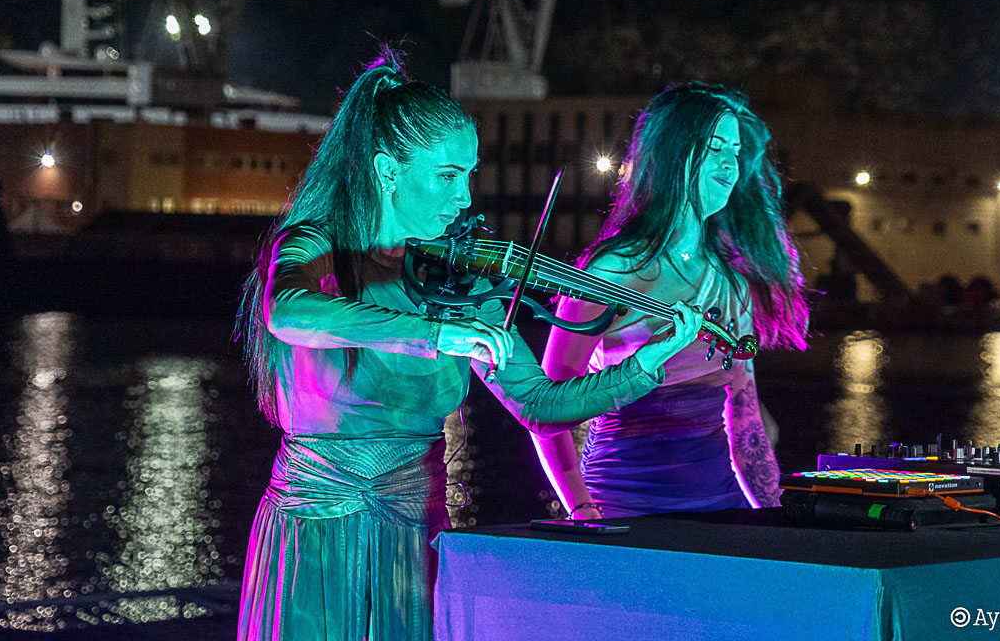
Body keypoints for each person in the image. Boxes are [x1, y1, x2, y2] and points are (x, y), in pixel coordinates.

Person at [234, 52, 702, 641]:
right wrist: (433, 335)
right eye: (448, 176)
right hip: (316, 526)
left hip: (419, 530)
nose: (465, 198)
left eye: (470, 175)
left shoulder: (456, 280)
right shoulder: (314, 244)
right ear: (388, 170)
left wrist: (647, 363)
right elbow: (287, 312)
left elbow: (539, 405)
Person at [531, 81, 809, 519]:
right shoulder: (611, 272)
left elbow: (746, 422)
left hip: (721, 509)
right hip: (621, 506)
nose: (730, 163)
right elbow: (545, 408)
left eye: (736, 151)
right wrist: (580, 507)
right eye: (715, 147)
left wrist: (773, 516)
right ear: (675, 154)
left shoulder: (733, 283)